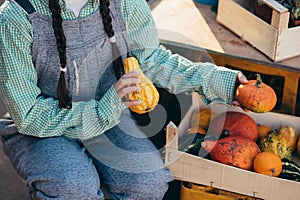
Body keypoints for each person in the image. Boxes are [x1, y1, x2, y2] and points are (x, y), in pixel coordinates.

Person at [0, 0, 248, 199]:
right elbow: (28, 113)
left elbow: (152, 60)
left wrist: (222, 83)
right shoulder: (16, 16)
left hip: (111, 118)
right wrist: (101, 110)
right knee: (74, 186)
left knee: (148, 185)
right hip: (44, 127)